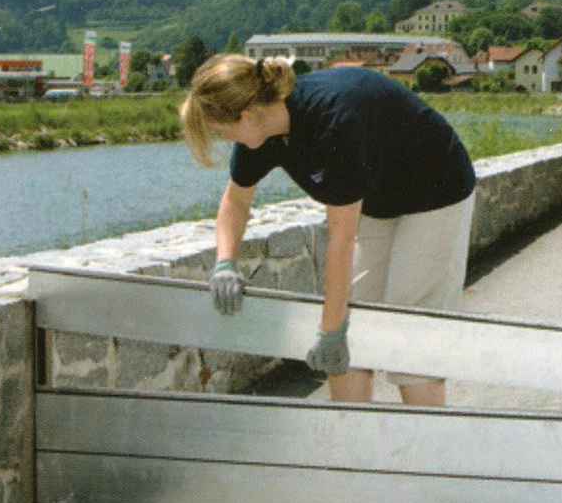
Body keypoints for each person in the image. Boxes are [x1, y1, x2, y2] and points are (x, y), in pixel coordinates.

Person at [179, 55, 476, 407]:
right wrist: (225, 263)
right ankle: (345, 454)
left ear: (244, 115)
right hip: (379, 198)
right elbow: (236, 202)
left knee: (410, 339)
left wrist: (330, 332)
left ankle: (423, 458)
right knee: (351, 336)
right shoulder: (261, 133)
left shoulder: (331, 123)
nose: (223, 139)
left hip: (436, 189)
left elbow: (342, 240)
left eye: (219, 131)